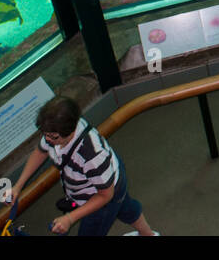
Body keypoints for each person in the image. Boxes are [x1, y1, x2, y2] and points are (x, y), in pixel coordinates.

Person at [10, 96, 158, 236]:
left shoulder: (91, 156)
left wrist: (70, 218)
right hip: (108, 177)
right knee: (126, 208)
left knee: (115, 207)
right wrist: (18, 186)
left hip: (102, 194)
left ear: (70, 131)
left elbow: (106, 195)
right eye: (45, 134)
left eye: (52, 137)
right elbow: (41, 151)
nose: (47, 139)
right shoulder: (56, 130)